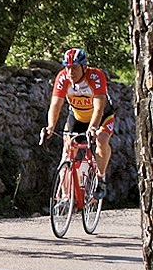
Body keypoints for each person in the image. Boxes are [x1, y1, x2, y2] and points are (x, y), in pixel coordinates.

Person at [45, 47, 114, 198]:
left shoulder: (95, 76)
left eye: (74, 68)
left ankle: (100, 178)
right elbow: (55, 106)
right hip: (77, 117)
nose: (70, 72)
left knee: (102, 140)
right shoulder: (63, 78)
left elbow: (99, 107)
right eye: (67, 68)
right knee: (67, 151)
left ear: (84, 67)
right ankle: (65, 197)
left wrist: (93, 128)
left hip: (102, 116)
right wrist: (50, 126)